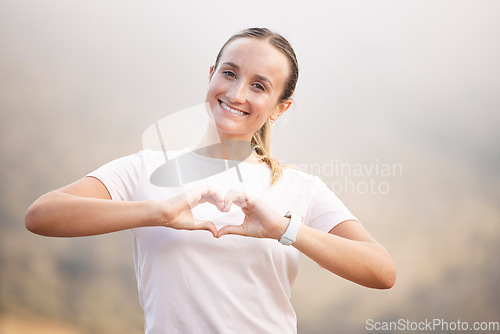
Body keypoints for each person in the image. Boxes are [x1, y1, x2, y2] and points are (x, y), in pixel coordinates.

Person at [25, 28, 396, 333]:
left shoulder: (302, 189)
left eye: (259, 86)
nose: (236, 94)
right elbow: (42, 215)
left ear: (282, 107)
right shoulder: (146, 169)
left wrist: (283, 229)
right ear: (211, 74)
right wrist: (157, 213)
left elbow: (381, 271)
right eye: (230, 73)